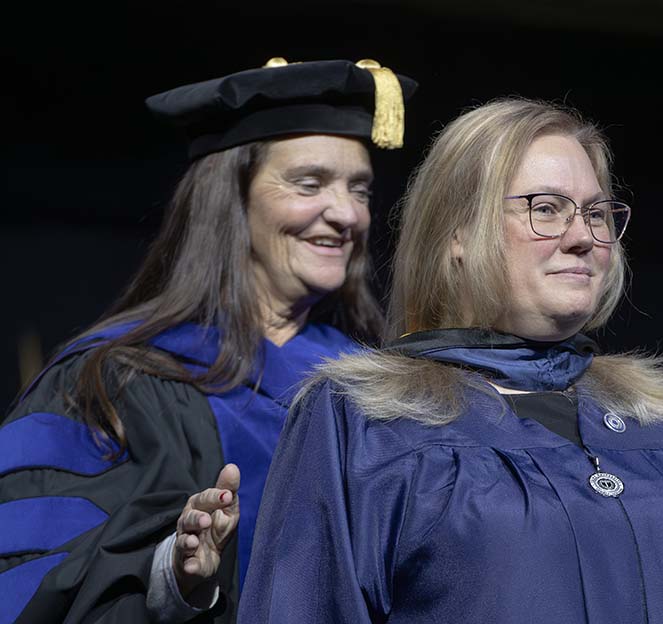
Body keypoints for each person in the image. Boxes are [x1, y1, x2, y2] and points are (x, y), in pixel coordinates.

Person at [239, 98, 663, 623]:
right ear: (456, 232)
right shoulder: (367, 426)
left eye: (596, 213)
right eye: (547, 208)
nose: (582, 237)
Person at [0, 57, 416, 623]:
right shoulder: (116, 380)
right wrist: (171, 577)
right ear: (232, 201)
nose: (347, 214)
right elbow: (34, 575)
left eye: (360, 190)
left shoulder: (384, 387)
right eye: (309, 184)